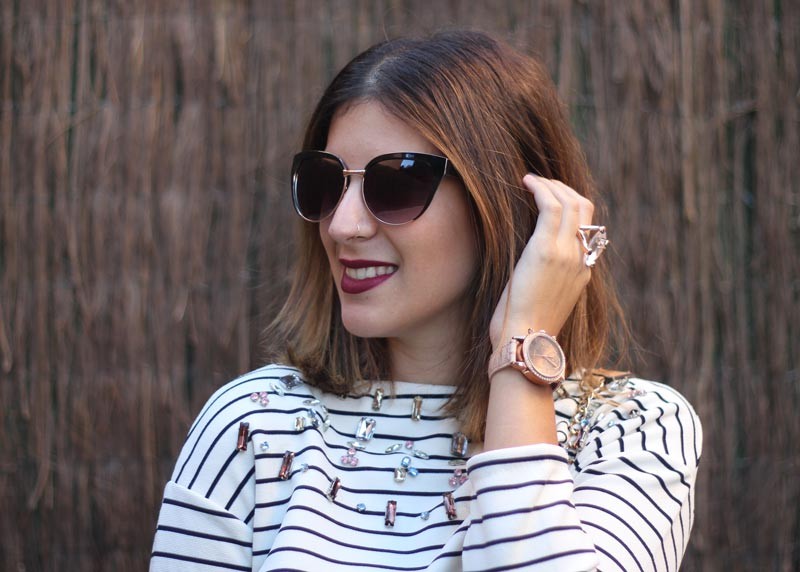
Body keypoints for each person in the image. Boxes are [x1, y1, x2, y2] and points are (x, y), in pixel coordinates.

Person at [150, 30, 701, 571]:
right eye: (326, 182)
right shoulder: (251, 425)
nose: (342, 225)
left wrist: (521, 350)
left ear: (509, 204)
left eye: (395, 183)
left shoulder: (634, 431)